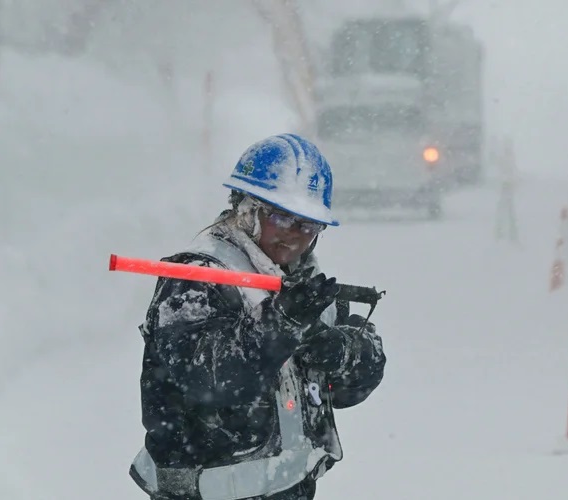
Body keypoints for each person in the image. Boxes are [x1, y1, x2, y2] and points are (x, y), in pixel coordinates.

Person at [129, 133, 386, 500]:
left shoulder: (304, 285)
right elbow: (207, 381)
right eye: (280, 216)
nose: (293, 235)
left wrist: (340, 351)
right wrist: (279, 326)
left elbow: (360, 378)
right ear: (246, 209)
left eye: (308, 225)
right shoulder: (196, 279)